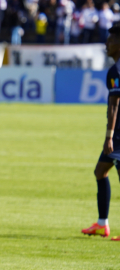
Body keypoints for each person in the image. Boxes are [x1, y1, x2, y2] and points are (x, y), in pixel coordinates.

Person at [81, 22, 120, 241]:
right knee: (100, 171)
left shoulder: (116, 71)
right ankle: (102, 224)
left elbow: (114, 105)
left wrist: (109, 137)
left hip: (118, 136)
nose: (107, 44)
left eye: (111, 40)